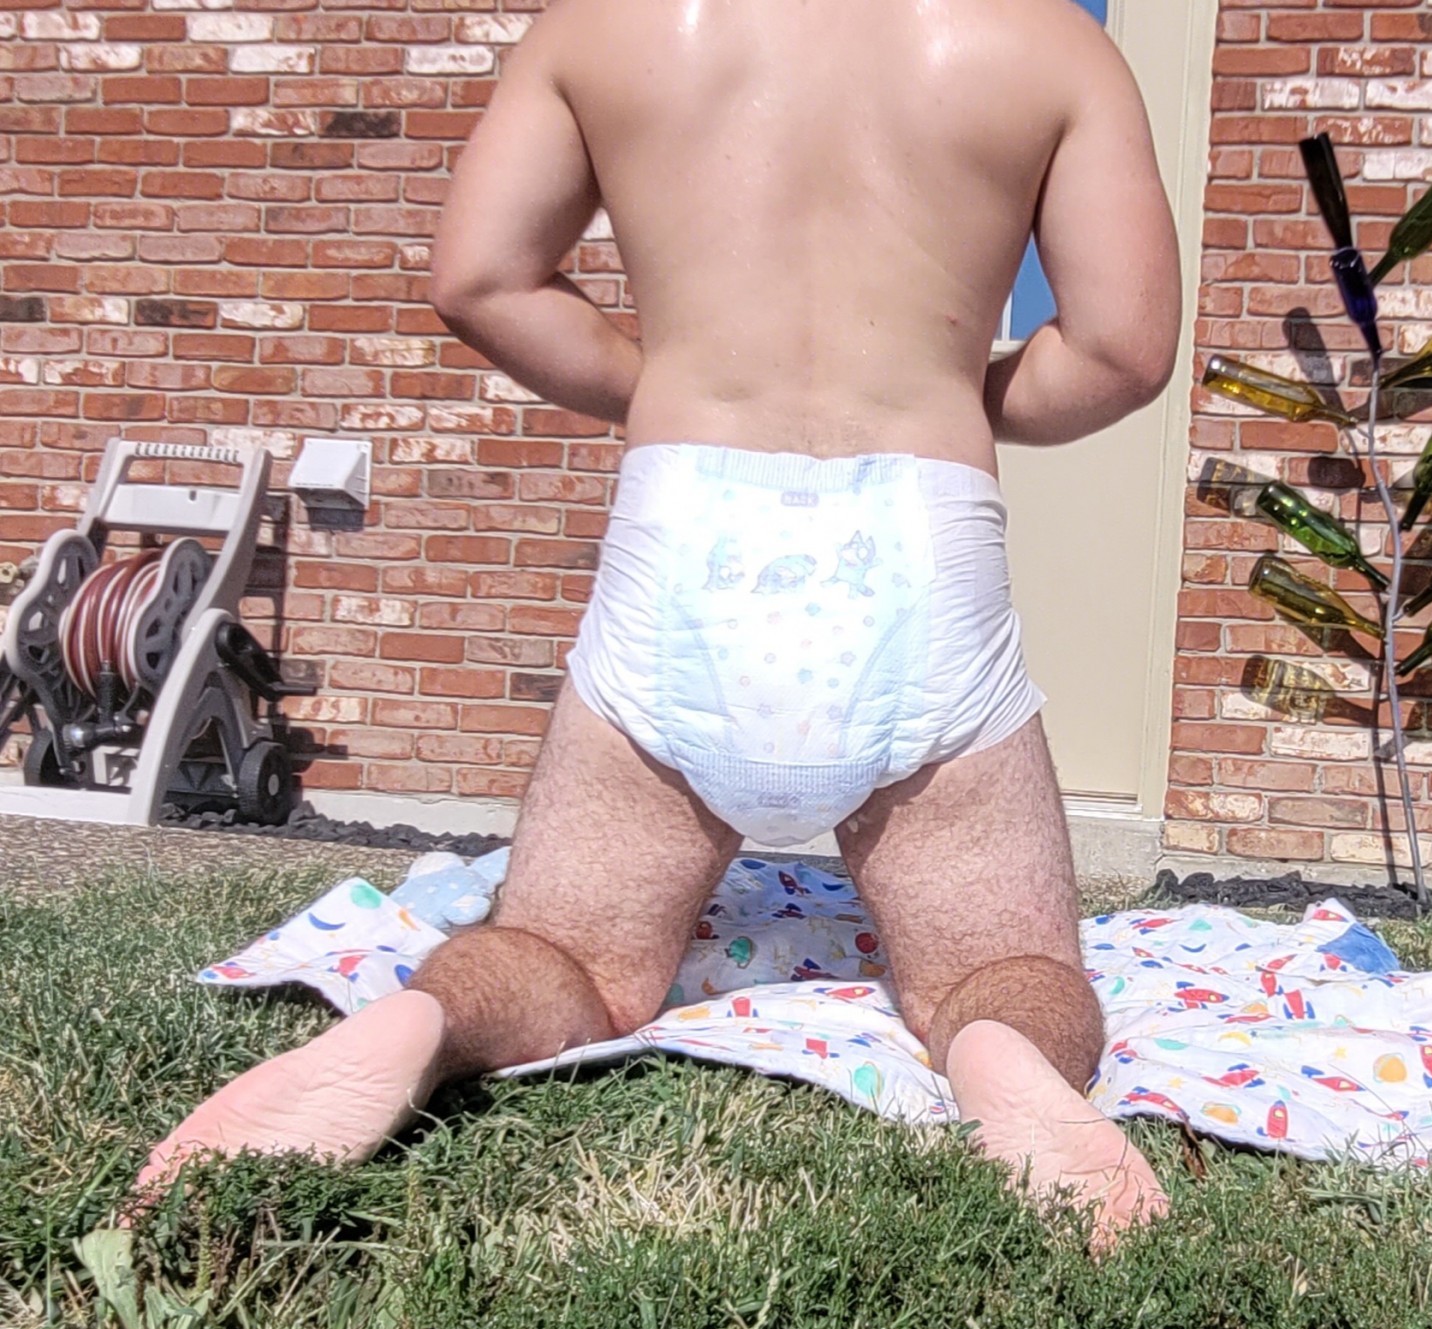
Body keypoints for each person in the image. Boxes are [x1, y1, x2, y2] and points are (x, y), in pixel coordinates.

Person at [138, 0, 1182, 1251]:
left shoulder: (600, 26)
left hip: (688, 521)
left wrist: (675, 386)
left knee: (565, 954)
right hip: (918, 531)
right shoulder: (1052, 44)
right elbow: (1122, 351)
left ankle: (420, 1024)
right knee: (998, 968)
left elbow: (478, 278)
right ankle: (1001, 1050)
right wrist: (950, 391)